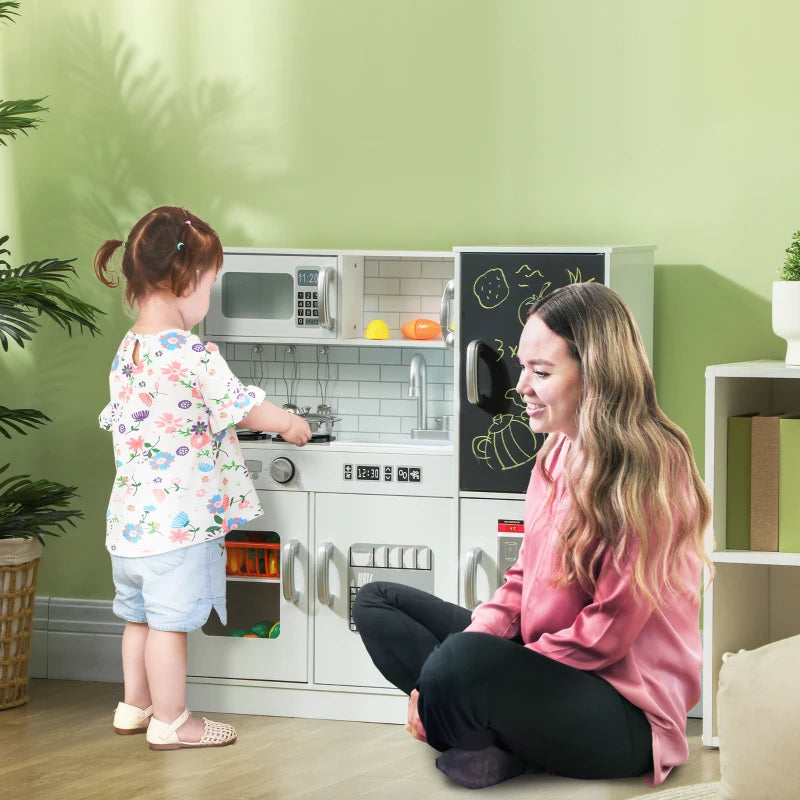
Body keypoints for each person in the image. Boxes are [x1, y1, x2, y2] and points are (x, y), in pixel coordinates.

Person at [353, 282, 712, 789]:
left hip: (623, 712)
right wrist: (459, 661)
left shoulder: (651, 467)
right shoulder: (558, 454)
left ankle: (483, 736)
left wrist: (459, 669)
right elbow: (523, 578)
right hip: (549, 667)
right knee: (376, 602)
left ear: (596, 375)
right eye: (523, 367)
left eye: (540, 372)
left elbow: (608, 633)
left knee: (459, 662)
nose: (520, 386)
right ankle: (492, 739)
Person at [95, 206, 311, 750]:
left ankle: (134, 705)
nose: (208, 298)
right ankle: (173, 721)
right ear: (185, 280)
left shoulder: (130, 350)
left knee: (139, 620)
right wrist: (287, 422)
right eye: (210, 285)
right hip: (180, 525)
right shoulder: (189, 353)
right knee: (169, 626)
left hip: (130, 526)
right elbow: (242, 407)